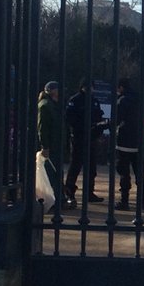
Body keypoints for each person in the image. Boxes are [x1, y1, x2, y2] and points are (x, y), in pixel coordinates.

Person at [63, 79, 106, 207]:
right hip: (79, 137)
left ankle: (89, 193)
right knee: (75, 165)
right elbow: (70, 118)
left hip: (92, 138)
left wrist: (99, 128)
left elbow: (99, 116)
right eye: (88, 87)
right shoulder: (75, 100)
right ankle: (69, 191)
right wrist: (82, 127)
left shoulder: (94, 101)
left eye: (92, 87)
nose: (90, 89)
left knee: (91, 167)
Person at [113, 77, 144, 212]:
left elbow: (117, 119)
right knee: (140, 172)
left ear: (121, 87)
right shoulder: (139, 99)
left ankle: (124, 200)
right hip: (138, 140)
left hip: (124, 140)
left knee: (124, 172)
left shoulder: (122, 100)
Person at [36, 81, 63, 210]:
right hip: (51, 145)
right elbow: (43, 128)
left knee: (55, 172)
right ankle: (53, 200)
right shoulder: (45, 106)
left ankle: (57, 199)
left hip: (55, 144)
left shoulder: (52, 105)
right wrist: (44, 146)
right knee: (51, 174)